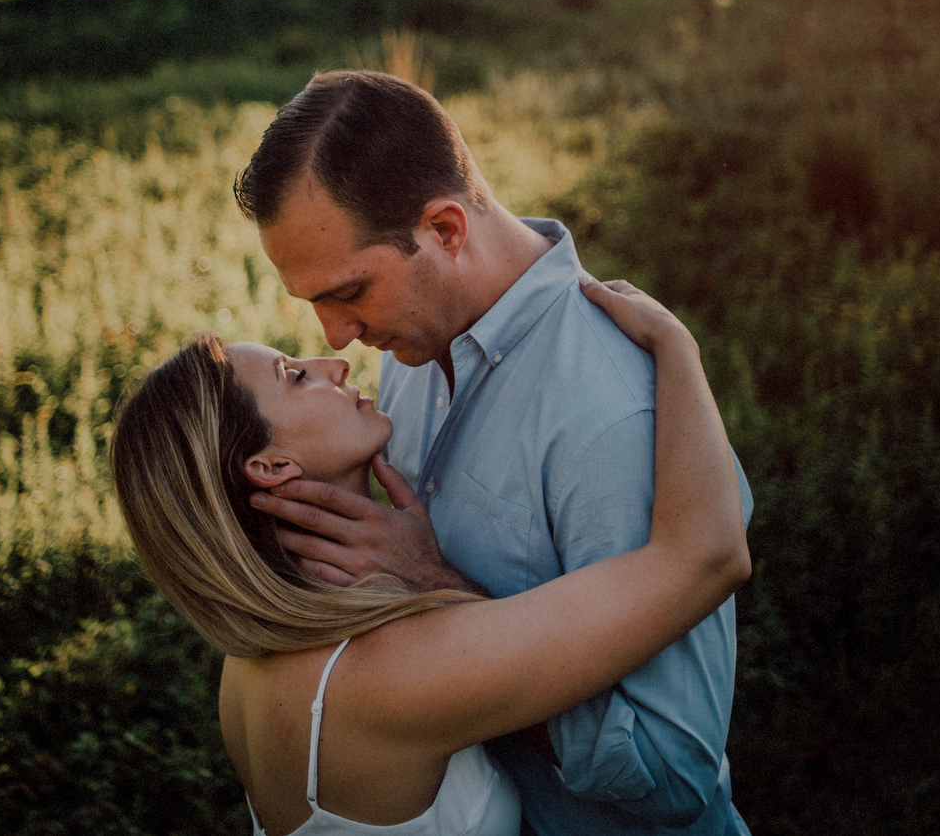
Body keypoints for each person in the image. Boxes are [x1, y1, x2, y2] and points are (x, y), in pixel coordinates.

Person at [233, 70, 755, 836]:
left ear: (445, 229)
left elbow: (672, 774)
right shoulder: (404, 361)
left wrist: (440, 590)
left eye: (348, 293)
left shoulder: (612, 411)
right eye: (312, 303)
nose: (333, 339)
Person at [109, 277, 750, 836]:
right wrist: (677, 349)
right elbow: (706, 558)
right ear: (271, 467)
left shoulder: (248, 662)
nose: (333, 362)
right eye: (294, 375)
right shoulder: (385, 674)